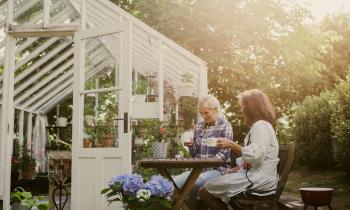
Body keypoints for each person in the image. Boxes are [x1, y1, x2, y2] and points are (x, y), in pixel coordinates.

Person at [198, 89, 279, 210]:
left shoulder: (260, 126)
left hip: (259, 179)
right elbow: (257, 157)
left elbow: (256, 156)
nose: (242, 110)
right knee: (210, 188)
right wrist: (239, 168)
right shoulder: (260, 126)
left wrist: (232, 145)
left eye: (243, 107)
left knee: (205, 191)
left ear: (250, 108)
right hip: (256, 176)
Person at [174, 94, 233, 210]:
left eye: (206, 113)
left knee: (194, 183)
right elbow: (195, 154)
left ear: (216, 109)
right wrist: (191, 146)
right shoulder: (199, 127)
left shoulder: (225, 126)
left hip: (218, 170)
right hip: (198, 170)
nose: (203, 116)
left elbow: (223, 156)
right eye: (201, 113)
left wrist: (204, 163)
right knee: (175, 183)